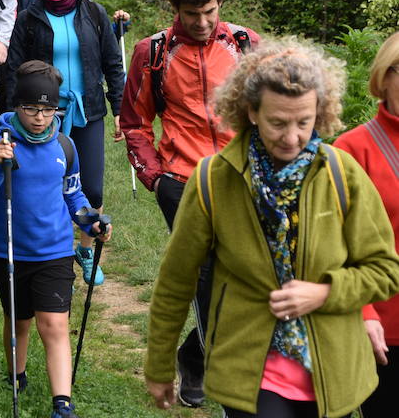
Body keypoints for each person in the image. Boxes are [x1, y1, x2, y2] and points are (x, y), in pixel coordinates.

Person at [144, 39, 399, 418]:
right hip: (250, 371)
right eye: (277, 123)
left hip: (332, 369)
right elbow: (176, 280)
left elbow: (384, 270)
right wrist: (160, 365)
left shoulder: (342, 174)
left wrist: (324, 292)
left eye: (304, 122)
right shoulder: (214, 180)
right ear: (250, 112)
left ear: (320, 112)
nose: (292, 137)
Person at [120, 0, 260, 407]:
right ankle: (209, 370)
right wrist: (156, 180)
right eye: (191, 14)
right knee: (203, 278)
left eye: (210, 12)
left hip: (241, 180)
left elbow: (270, 110)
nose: (201, 23)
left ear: (221, 5)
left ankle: (192, 355)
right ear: (174, 8)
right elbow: (135, 123)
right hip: (182, 181)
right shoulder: (153, 52)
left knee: (242, 276)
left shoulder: (245, 44)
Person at [0, 60, 113, 418]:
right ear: (17, 106)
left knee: (55, 323)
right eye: (31, 108)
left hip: (55, 251)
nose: (39, 117)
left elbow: (74, 197)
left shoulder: (64, 146)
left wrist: (90, 222)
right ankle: (17, 375)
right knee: (18, 320)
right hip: (10, 251)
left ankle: (62, 403)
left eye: (48, 110)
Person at [5, 0, 125, 285]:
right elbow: (14, 69)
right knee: (51, 185)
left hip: (87, 111)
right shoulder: (29, 20)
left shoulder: (94, 15)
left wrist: (119, 109)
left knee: (92, 189)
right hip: (44, 119)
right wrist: (10, 117)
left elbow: (113, 65)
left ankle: (86, 249)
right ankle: (52, 251)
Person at [334, 32, 399, 418]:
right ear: (384, 76)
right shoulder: (352, 150)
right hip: (385, 332)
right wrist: (364, 314)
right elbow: (334, 246)